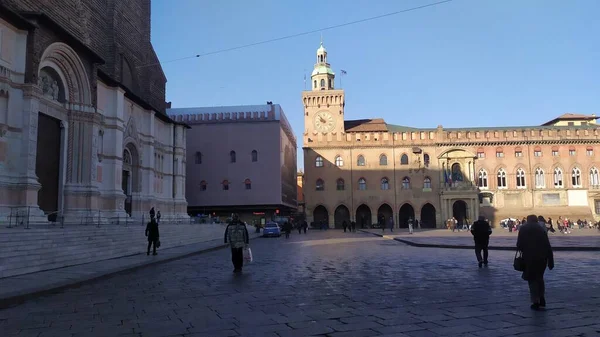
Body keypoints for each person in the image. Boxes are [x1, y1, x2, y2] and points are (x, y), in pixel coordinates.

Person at [517, 215, 554, 310]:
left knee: (531, 279)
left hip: (529, 258)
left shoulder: (524, 228)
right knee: (540, 278)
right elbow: (547, 245)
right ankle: (541, 297)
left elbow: (519, 244)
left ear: (528, 220)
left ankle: (535, 301)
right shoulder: (541, 229)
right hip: (542, 258)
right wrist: (551, 260)